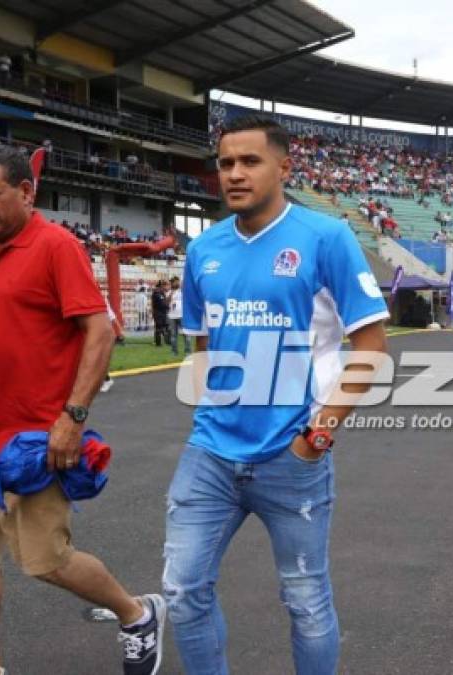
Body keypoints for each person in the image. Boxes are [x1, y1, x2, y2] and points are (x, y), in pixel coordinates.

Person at [0, 146, 163, 675]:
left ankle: (136, 613)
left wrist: (72, 418)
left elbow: (98, 332)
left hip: (32, 442)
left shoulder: (57, 246)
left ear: (26, 191)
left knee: (45, 561)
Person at [165, 116, 389, 675]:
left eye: (250, 161)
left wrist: (318, 434)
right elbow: (202, 343)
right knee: (182, 589)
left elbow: (371, 345)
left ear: (283, 168)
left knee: (305, 601)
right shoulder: (203, 250)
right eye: (225, 163)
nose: (234, 174)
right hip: (212, 453)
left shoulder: (326, 237)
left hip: (293, 457)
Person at [167, 277, 190, 356]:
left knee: (186, 334)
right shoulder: (169, 292)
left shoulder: (182, 291)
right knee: (173, 335)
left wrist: (181, 284)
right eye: (172, 282)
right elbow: (167, 302)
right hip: (172, 316)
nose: (173, 283)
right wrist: (171, 293)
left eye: (174, 282)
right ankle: (174, 352)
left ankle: (187, 351)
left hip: (182, 315)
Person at [151, 279, 170, 347]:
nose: (169, 287)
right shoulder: (157, 292)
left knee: (163, 327)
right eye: (168, 285)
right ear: (164, 285)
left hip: (161, 312)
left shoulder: (161, 292)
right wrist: (168, 306)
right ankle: (158, 343)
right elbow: (162, 304)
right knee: (159, 328)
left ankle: (164, 341)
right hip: (159, 313)